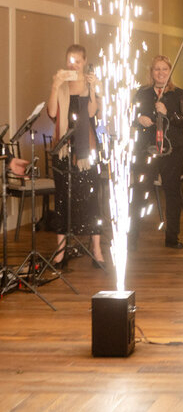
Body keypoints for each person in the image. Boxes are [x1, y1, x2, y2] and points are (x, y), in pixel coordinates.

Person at [46, 44, 104, 269]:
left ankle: (96, 250)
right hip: (63, 148)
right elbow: (52, 113)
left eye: (77, 61)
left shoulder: (90, 84)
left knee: (91, 198)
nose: (73, 65)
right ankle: (61, 252)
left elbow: (91, 113)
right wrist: (55, 85)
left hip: (86, 151)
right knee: (62, 199)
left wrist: (94, 88)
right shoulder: (61, 85)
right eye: (70, 60)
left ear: (84, 62)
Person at [130, 55, 183, 250]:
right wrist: (138, 119)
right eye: (157, 69)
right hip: (146, 149)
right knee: (140, 192)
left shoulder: (179, 94)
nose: (160, 73)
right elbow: (130, 114)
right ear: (151, 72)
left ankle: (172, 237)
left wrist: (168, 114)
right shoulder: (142, 93)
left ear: (170, 72)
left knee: (172, 191)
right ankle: (131, 238)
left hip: (172, 150)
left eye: (164, 69)